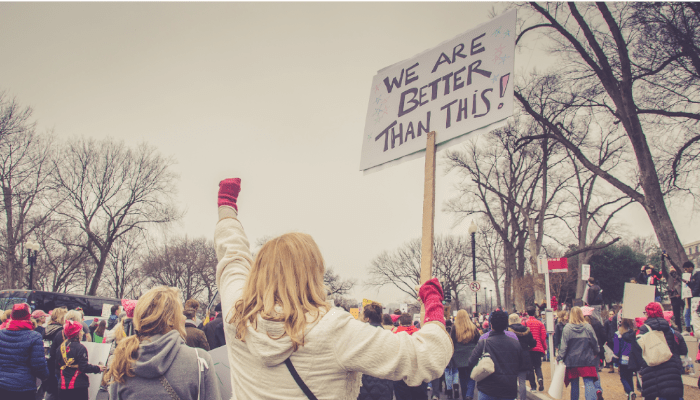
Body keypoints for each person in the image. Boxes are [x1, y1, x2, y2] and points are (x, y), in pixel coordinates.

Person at [214, 178, 451, 399]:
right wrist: (433, 304)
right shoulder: (332, 329)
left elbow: (232, 257)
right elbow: (425, 357)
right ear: (312, 274)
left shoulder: (237, 315)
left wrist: (227, 209)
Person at [106, 286, 221, 400]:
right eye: (180, 312)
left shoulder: (122, 361)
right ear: (170, 319)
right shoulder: (199, 360)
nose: (184, 317)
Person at [466, 310, 524, 400]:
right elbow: (521, 366)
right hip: (508, 390)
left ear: (491, 325)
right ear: (506, 325)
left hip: (487, 388)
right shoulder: (515, 344)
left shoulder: (484, 343)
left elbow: (471, 362)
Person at [635, 302, 684, 400]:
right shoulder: (668, 327)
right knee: (671, 393)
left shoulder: (644, 329)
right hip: (669, 365)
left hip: (651, 367)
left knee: (651, 394)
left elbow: (639, 349)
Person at [0, 303, 49, 400]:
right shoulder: (34, 336)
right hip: (24, 386)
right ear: (28, 316)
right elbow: (38, 364)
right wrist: (45, 376)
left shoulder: (1, 334)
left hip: (2, 384)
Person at [557, 306, 602, 400]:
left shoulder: (567, 328)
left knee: (574, 384)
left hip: (572, 360)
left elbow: (564, 346)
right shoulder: (588, 327)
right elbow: (594, 342)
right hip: (587, 358)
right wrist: (596, 351)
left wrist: (560, 357)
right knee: (589, 382)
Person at [55, 320, 105, 400]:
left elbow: (57, 365)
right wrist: (98, 368)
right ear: (77, 334)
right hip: (78, 386)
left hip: (62, 385)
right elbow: (84, 367)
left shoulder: (60, 347)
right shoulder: (80, 348)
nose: (82, 333)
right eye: (81, 331)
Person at [357, 303, 394, 400]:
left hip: (363, 384)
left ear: (367, 318)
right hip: (384, 384)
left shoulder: (359, 336)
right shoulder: (389, 336)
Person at [450, 310, 480, 400]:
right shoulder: (473, 327)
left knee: (462, 377)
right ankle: (469, 394)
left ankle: (464, 396)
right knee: (472, 377)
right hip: (472, 354)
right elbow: (477, 341)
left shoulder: (454, 328)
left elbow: (452, 343)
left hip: (459, 356)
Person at [508, 313, 537, 400]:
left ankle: (514, 398)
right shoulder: (526, 330)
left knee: (512, 380)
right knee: (522, 381)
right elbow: (532, 343)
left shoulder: (508, 331)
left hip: (512, 356)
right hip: (524, 356)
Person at [615, 318, 640, 400]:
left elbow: (616, 349)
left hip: (623, 358)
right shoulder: (633, 333)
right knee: (630, 377)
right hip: (632, 357)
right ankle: (631, 393)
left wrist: (615, 360)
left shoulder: (618, 334)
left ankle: (630, 392)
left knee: (623, 377)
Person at [524, 306, 547, 392]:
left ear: (527, 312)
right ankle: (540, 379)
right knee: (538, 366)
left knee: (530, 368)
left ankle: (533, 386)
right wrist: (544, 347)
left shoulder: (524, 323)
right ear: (535, 312)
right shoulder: (540, 323)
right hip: (538, 348)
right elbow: (543, 337)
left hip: (528, 349)